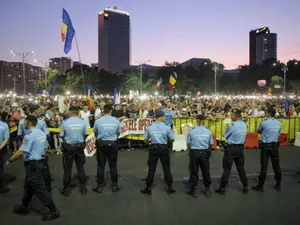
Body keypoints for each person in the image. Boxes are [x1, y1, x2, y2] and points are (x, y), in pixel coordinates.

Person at [5, 115, 60, 221]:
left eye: (24, 122)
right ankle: (24, 206)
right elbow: (44, 149)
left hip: (33, 165)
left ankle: (54, 211)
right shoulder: (41, 133)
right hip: (40, 162)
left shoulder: (29, 136)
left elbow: (21, 152)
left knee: (40, 189)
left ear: (29, 123)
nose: (23, 124)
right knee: (29, 186)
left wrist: (9, 160)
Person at [18, 104, 52, 192]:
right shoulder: (40, 122)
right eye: (39, 110)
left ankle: (29, 189)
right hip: (39, 148)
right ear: (35, 111)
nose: (40, 111)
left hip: (27, 147)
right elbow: (46, 135)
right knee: (44, 167)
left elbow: (20, 135)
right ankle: (47, 187)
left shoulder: (22, 121)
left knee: (29, 169)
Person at [141, 110, 175, 195]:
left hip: (153, 148)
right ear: (160, 117)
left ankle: (148, 188)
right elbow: (172, 139)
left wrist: (150, 142)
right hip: (163, 148)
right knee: (166, 168)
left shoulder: (150, 127)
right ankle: (170, 188)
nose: (165, 118)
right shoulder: (166, 127)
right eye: (164, 116)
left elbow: (145, 139)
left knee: (151, 169)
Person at [215, 109, 248, 195]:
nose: (231, 116)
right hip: (240, 148)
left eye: (232, 115)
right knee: (241, 168)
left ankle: (222, 187)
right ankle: (245, 185)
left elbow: (225, 135)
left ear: (236, 116)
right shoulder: (244, 124)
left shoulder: (232, 125)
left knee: (227, 169)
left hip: (231, 149)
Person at [60, 106, 88, 196]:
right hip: (79, 146)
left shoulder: (65, 122)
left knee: (68, 168)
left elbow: (62, 135)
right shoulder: (83, 122)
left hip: (69, 147)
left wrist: (68, 139)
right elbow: (85, 134)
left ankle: (66, 189)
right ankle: (83, 187)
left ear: (70, 112)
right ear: (78, 112)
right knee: (80, 167)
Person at [93, 104, 121, 193]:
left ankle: (99, 186)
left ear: (103, 111)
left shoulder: (98, 121)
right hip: (113, 143)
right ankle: (114, 185)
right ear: (111, 111)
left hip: (101, 144)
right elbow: (118, 133)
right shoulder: (116, 120)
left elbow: (95, 133)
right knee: (113, 165)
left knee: (101, 166)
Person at [252, 107, 282, 191]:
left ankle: (260, 186)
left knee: (264, 167)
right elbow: (278, 133)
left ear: (268, 113)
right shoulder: (279, 123)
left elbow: (259, 131)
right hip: (275, 146)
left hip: (266, 146)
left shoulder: (264, 122)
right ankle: (278, 184)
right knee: (276, 166)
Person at [186, 114, 213, 197]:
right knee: (205, 171)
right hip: (204, 152)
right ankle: (207, 188)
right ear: (203, 121)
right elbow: (211, 144)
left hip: (195, 152)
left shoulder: (192, 131)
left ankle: (193, 189)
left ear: (197, 121)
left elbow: (188, 143)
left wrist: (192, 150)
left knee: (194, 171)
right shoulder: (208, 131)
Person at [0, 111, 10, 193]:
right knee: (0, 168)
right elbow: (6, 138)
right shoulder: (4, 125)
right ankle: (3, 187)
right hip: (0, 148)